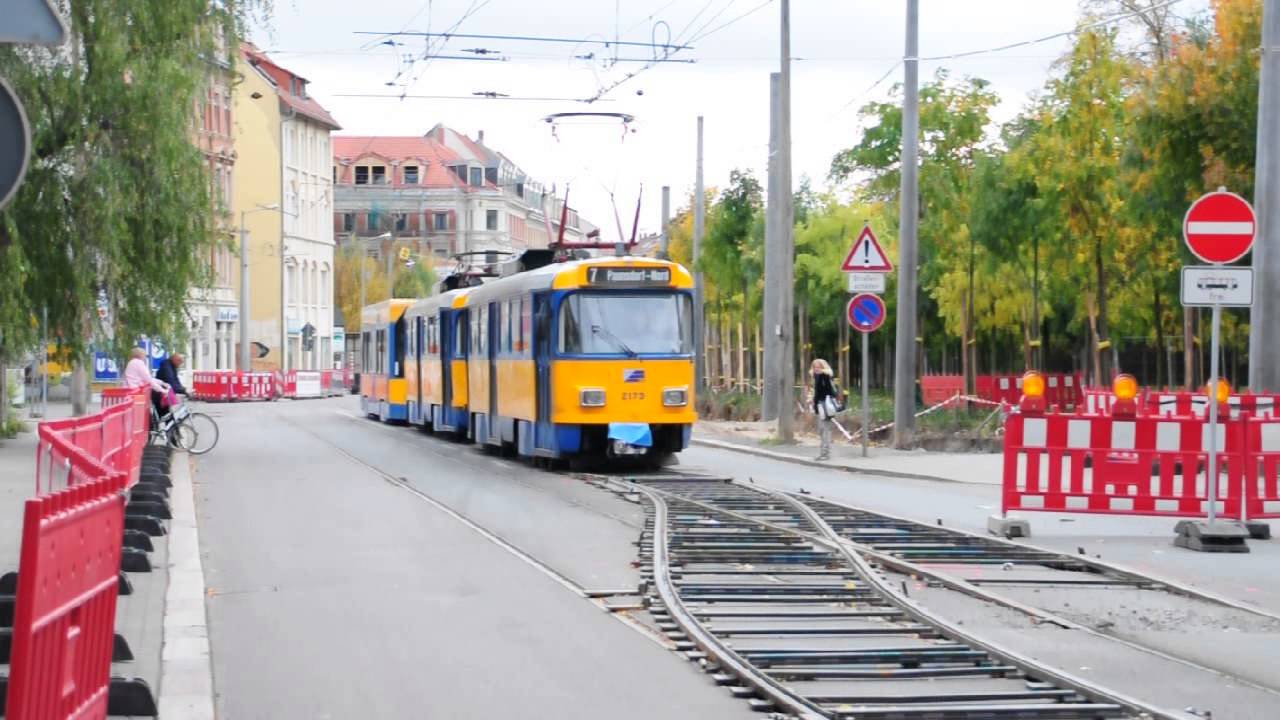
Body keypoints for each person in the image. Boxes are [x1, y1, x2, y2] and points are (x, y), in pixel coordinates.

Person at [123, 347, 170, 424]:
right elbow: (149, 380)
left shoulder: (133, 362)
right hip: (135, 394)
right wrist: (163, 390)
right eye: (145, 355)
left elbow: (148, 378)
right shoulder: (138, 363)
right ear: (140, 355)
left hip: (133, 394)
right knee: (146, 418)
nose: (145, 358)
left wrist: (162, 383)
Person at [811, 358, 837, 461]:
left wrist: (815, 400)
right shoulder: (817, 377)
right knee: (822, 430)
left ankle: (825, 453)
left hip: (825, 407)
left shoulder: (824, 376)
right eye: (814, 367)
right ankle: (823, 453)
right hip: (821, 407)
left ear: (823, 367)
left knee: (825, 430)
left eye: (818, 367)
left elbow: (828, 392)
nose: (816, 369)